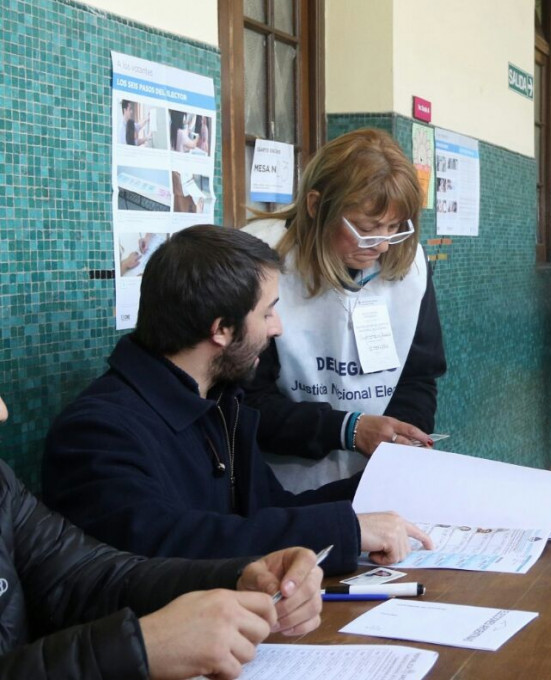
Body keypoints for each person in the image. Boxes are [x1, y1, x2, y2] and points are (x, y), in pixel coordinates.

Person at [42, 225, 433, 576]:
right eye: (268, 314)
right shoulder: (96, 432)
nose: (278, 329)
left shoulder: (219, 404)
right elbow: (172, 546)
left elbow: (269, 512)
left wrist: (383, 484)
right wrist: (347, 530)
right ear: (222, 330)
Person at [0, 392, 325, 678]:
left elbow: (86, 577)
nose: (3, 412)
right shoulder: (99, 425)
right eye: (266, 316)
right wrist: (138, 649)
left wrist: (239, 579)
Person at [243, 128, 447, 493]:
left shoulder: (408, 264)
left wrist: (402, 438)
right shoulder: (261, 258)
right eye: (367, 229)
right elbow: (246, 401)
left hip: (374, 479)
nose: (383, 245)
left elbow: (418, 376)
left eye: (395, 227)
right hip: (281, 483)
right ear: (316, 206)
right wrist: (346, 429)